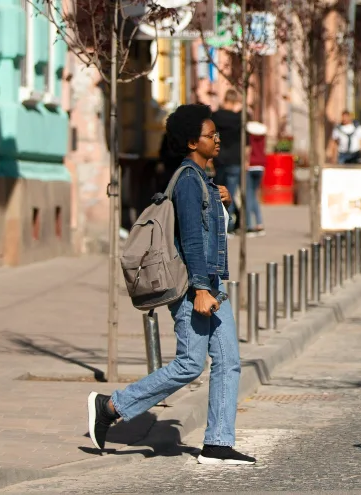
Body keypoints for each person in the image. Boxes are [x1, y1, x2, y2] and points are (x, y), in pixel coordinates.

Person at [86, 104, 256, 465]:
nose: (218, 139)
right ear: (193, 141)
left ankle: (218, 443)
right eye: (211, 135)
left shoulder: (204, 181)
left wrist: (227, 203)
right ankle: (112, 405)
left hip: (211, 282)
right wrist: (200, 289)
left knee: (228, 361)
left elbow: (219, 231)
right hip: (194, 287)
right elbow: (193, 240)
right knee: (190, 364)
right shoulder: (190, 182)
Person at [211, 89, 244, 233]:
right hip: (236, 159)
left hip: (220, 158)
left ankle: (226, 224)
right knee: (230, 192)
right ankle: (230, 224)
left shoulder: (216, 117)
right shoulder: (239, 119)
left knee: (219, 192)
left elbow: (212, 137)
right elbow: (245, 140)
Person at [244, 121, 267, 236]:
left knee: (248, 195)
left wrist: (246, 161)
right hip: (261, 166)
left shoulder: (249, 135)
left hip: (250, 165)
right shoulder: (262, 135)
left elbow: (248, 150)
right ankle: (259, 223)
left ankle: (249, 225)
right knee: (254, 195)